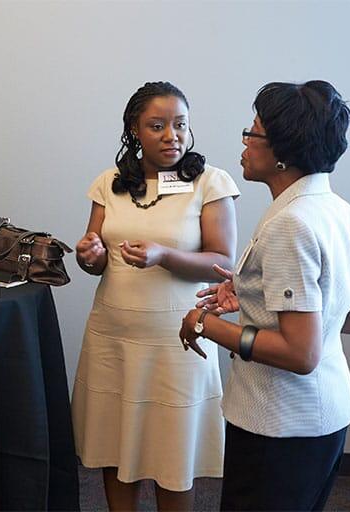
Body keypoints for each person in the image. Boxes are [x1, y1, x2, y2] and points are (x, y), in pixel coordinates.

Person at [180, 80, 350, 511]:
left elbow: (299, 353)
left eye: (253, 132)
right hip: (326, 417)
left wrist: (204, 325)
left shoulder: (292, 224)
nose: (245, 143)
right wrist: (258, 300)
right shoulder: (338, 209)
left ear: (281, 151)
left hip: (280, 424)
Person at [72, 81, 240, 511]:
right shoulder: (109, 183)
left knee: (173, 451)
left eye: (180, 125)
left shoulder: (209, 182)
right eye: (158, 126)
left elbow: (223, 260)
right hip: (113, 333)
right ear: (135, 129)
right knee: (113, 445)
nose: (173, 136)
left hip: (178, 338)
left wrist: (166, 255)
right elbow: (96, 259)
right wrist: (89, 254)